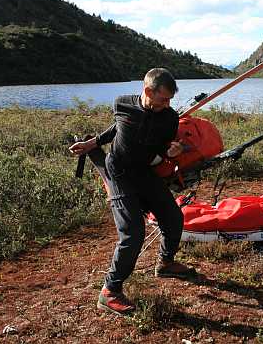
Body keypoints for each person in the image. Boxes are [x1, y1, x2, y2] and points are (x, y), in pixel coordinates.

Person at [69, 68, 195, 315]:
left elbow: (166, 144)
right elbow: (116, 127)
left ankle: (166, 262)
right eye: (163, 99)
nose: (167, 104)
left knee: (173, 217)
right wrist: (92, 143)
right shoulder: (122, 103)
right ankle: (109, 292)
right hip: (119, 173)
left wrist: (173, 150)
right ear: (148, 91)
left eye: (170, 100)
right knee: (132, 232)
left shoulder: (169, 117)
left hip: (145, 173)